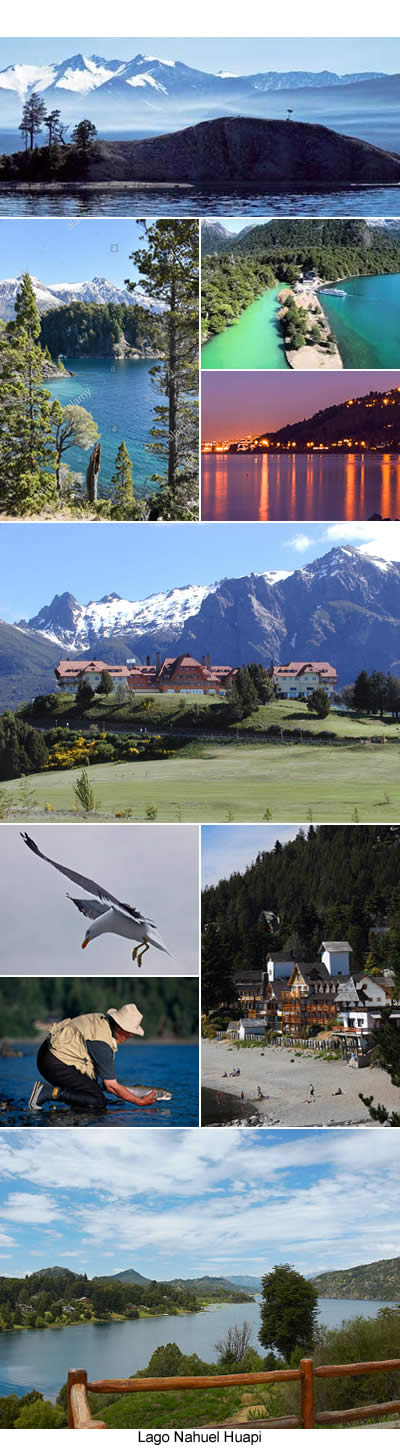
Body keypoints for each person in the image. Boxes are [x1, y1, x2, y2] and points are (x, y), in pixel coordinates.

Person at [29, 1003, 158, 1112]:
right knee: (97, 1101)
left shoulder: (103, 1022)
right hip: (54, 1062)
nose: (131, 1035)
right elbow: (111, 1086)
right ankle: (47, 1092)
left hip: (51, 1054)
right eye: (129, 1031)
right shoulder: (101, 1043)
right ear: (119, 1025)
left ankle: (70, 1106)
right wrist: (139, 1102)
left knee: (96, 1097)